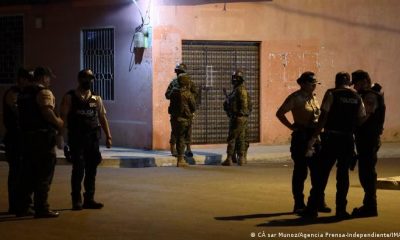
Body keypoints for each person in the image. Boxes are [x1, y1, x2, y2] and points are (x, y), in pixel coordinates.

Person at [301, 72, 366, 219]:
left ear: (336, 81)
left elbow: (323, 117)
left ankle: (312, 208)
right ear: (349, 82)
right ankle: (341, 210)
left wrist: (314, 136)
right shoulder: (357, 97)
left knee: (321, 174)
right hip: (348, 139)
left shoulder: (332, 94)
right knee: (343, 176)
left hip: (331, 138)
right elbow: (361, 119)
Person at [276, 71, 330, 214]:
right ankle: (299, 203)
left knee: (318, 172)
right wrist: (291, 126)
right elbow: (280, 113)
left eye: (315, 84)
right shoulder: (296, 98)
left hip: (315, 136)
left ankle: (318, 201)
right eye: (311, 84)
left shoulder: (314, 98)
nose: (314, 86)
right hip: (301, 136)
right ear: (303, 84)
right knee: (301, 171)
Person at [60, 69, 112, 210]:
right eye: (85, 78)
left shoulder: (96, 98)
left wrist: (108, 136)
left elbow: (102, 117)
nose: (88, 81)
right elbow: (63, 118)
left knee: (91, 170)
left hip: (92, 139)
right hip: (76, 139)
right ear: (79, 79)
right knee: (78, 169)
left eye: (90, 78)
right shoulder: (70, 97)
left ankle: (89, 198)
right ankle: (76, 200)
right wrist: (60, 136)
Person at [17, 66, 63, 218]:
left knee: (28, 173)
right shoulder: (43, 92)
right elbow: (47, 112)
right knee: (44, 174)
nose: (49, 81)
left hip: (26, 138)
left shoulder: (24, 93)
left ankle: (24, 206)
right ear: (43, 77)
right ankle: (42, 207)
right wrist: (58, 123)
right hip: (42, 139)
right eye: (48, 78)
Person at [351, 70, 386, 217]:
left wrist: (352, 124)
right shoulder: (369, 94)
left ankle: (370, 206)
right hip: (367, 138)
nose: (355, 87)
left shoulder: (370, 96)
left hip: (369, 138)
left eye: (356, 83)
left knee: (367, 173)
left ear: (364, 81)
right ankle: (369, 205)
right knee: (366, 171)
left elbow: (363, 117)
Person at [2, 68, 32, 214]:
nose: (29, 82)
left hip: (23, 138)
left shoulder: (25, 94)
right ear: (21, 79)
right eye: (27, 79)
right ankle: (15, 205)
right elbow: (17, 113)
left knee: (24, 172)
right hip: (15, 139)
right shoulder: (13, 93)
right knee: (16, 172)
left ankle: (23, 203)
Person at [165, 63, 198, 157]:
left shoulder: (189, 82)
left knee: (188, 130)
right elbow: (167, 95)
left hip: (187, 111)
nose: (178, 74)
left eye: (180, 72)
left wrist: (189, 100)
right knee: (175, 130)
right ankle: (173, 148)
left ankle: (188, 148)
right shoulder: (174, 83)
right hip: (176, 110)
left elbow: (195, 94)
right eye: (178, 71)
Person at [221, 70, 251, 166]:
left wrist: (238, 114)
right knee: (241, 137)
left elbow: (244, 105)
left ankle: (229, 158)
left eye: (234, 78)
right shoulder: (238, 90)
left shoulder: (240, 90)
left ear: (238, 79)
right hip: (240, 117)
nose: (233, 80)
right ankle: (241, 158)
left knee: (232, 138)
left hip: (238, 117)